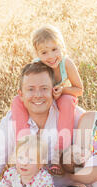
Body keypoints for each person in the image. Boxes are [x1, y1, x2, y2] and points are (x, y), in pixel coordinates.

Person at [11, 25, 84, 174]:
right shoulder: (37, 65)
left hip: (60, 95)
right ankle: (24, 147)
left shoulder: (66, 63)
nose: (51, 56)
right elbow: (30, 86)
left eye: (54, 49)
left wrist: (63, 90)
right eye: (44, 52)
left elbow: (79, 90)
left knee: (67, 101)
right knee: (17, 100)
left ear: (61, 47)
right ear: (37, 53)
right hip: (44, 96)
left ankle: (59, 153)